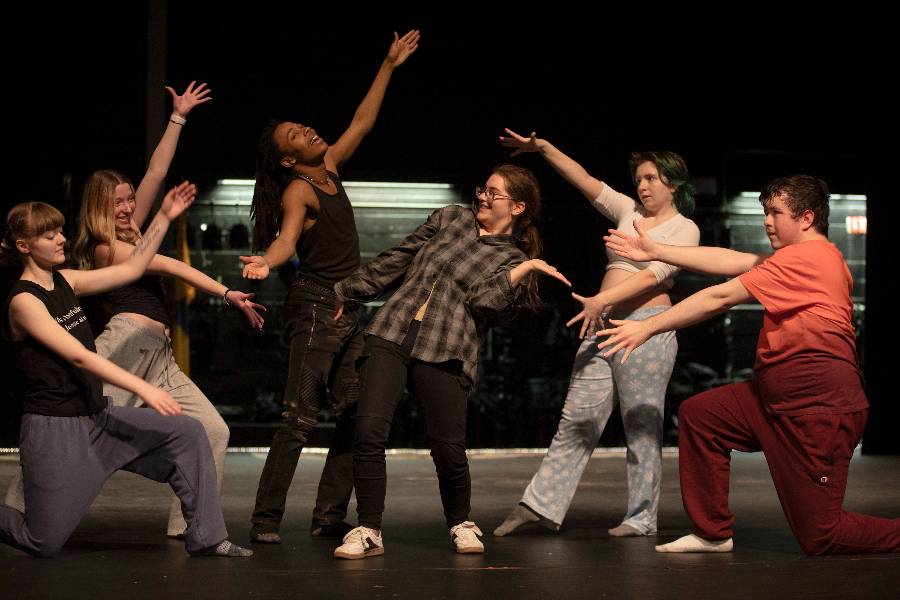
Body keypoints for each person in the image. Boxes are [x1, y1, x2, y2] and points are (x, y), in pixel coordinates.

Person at [600, 174, 900, 555]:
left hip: (816, 408)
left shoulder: (810, 257)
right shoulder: (801, 258)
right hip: (772, 399)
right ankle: (712, 533)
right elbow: (731, 260)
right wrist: (658, 249)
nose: (766, 221)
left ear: (806, 218)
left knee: (821, 535)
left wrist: (648, 327)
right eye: (765, 212)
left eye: (775, 212)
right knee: (703, 416)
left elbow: (722, 295)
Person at [22, 82, 265, 541]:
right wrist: (227, 292)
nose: (128, 207)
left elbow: (157, 169)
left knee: (212, 430)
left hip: (161, 355)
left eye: (131, 200)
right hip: (125, 346)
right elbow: (168, 263)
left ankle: (190, 523)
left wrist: (178, 117)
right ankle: (19, 505)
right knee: (75, 431)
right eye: (118, 203)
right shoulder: (102, 247)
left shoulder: (134, 228)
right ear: (98, 206)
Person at [331, 163, 570, 559]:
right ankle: (369, 528)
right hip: (390, 330)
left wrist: (525, 267)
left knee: (447, 448)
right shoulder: (450, 218)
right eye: (483, 189)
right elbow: (400, 257)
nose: (483, 197)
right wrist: (349, 290)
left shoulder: (513, 261)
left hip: (447, 347)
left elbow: (484, 301)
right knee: (369, 431)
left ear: (517, 207)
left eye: (494, 193)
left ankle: (460, 521)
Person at [0, 187, 251, 557]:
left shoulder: (67, 280)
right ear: (24, 246)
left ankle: (208, 536)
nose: (61, 239)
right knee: (44, 540)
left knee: (189, 431)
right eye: (49, 234)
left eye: (60, 231)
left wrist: (164, 217)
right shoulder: (23, 301)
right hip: (55, 429)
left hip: (97, 417)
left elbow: (132, 268)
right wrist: (144, 389)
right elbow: (82, 358)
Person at [242, 30, 420, 544]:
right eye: (295, 137)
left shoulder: (331, 168)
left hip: (351, 306)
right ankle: (265, 521)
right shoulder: (300, 188)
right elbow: (286, 241)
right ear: (287, 161)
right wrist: (265, 263)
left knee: (358, 412)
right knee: (298, 417)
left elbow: (362, 122)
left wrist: (388, 64)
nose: (308, 132)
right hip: (317, 307)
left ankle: (327, 516)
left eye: (303, 127)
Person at [493, 130, 699, 538]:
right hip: (602, 324)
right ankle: (539, 504)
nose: (641, 186)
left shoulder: (684, 229)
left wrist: (602, 301)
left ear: (673, 184)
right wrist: (544, 148)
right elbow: (584, 180)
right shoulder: (629, 213)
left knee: (641, 423)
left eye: (651, 178)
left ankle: (641, 517)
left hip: (646, 329)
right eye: (638, 179)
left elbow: (656, 275)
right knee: (577, 419)